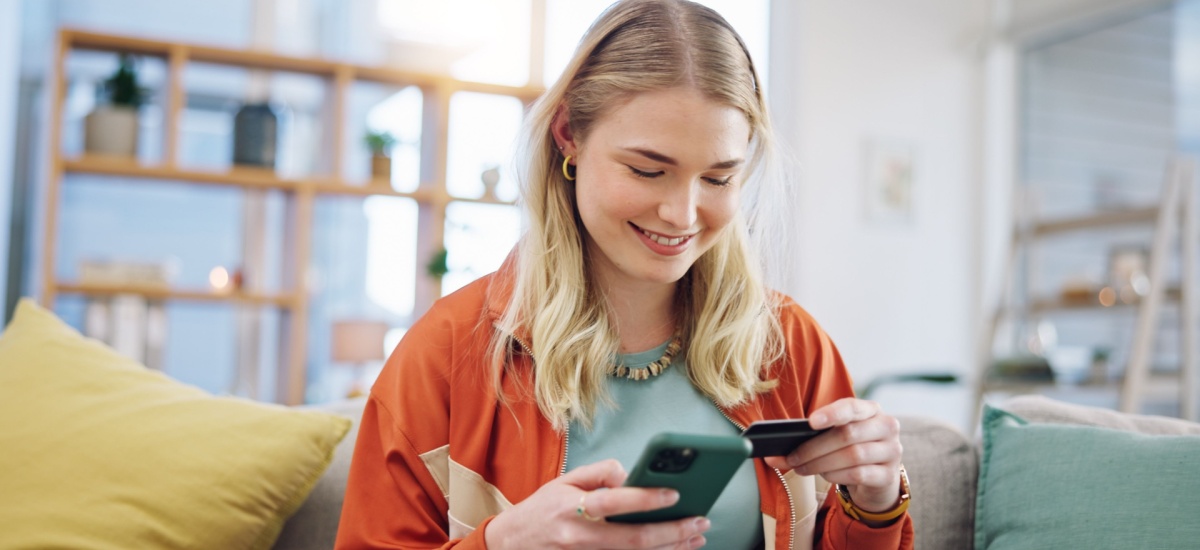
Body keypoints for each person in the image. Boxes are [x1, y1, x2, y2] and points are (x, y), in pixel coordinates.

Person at [335, 0, 914, 548]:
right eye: (647, 170)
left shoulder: (790, 344)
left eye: (718, 179)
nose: (683, 215)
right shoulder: (448, 353)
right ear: (569, 135)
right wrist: (504, 543)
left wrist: (877, 497)